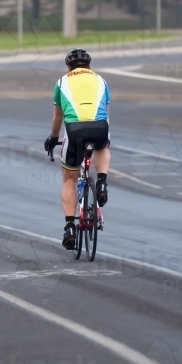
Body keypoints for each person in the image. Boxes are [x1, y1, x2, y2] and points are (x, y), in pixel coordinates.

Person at [44, 49, 111, 250]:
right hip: (100, 127)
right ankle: (101, 182)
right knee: (103, 146)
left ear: (68, 67)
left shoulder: (62, 82)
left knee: (69, 179)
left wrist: (53, 138)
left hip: (74, 131)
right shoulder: (101, 80)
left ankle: (70, 227)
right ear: (89, 66)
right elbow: (105, 113)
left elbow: (58, 118)